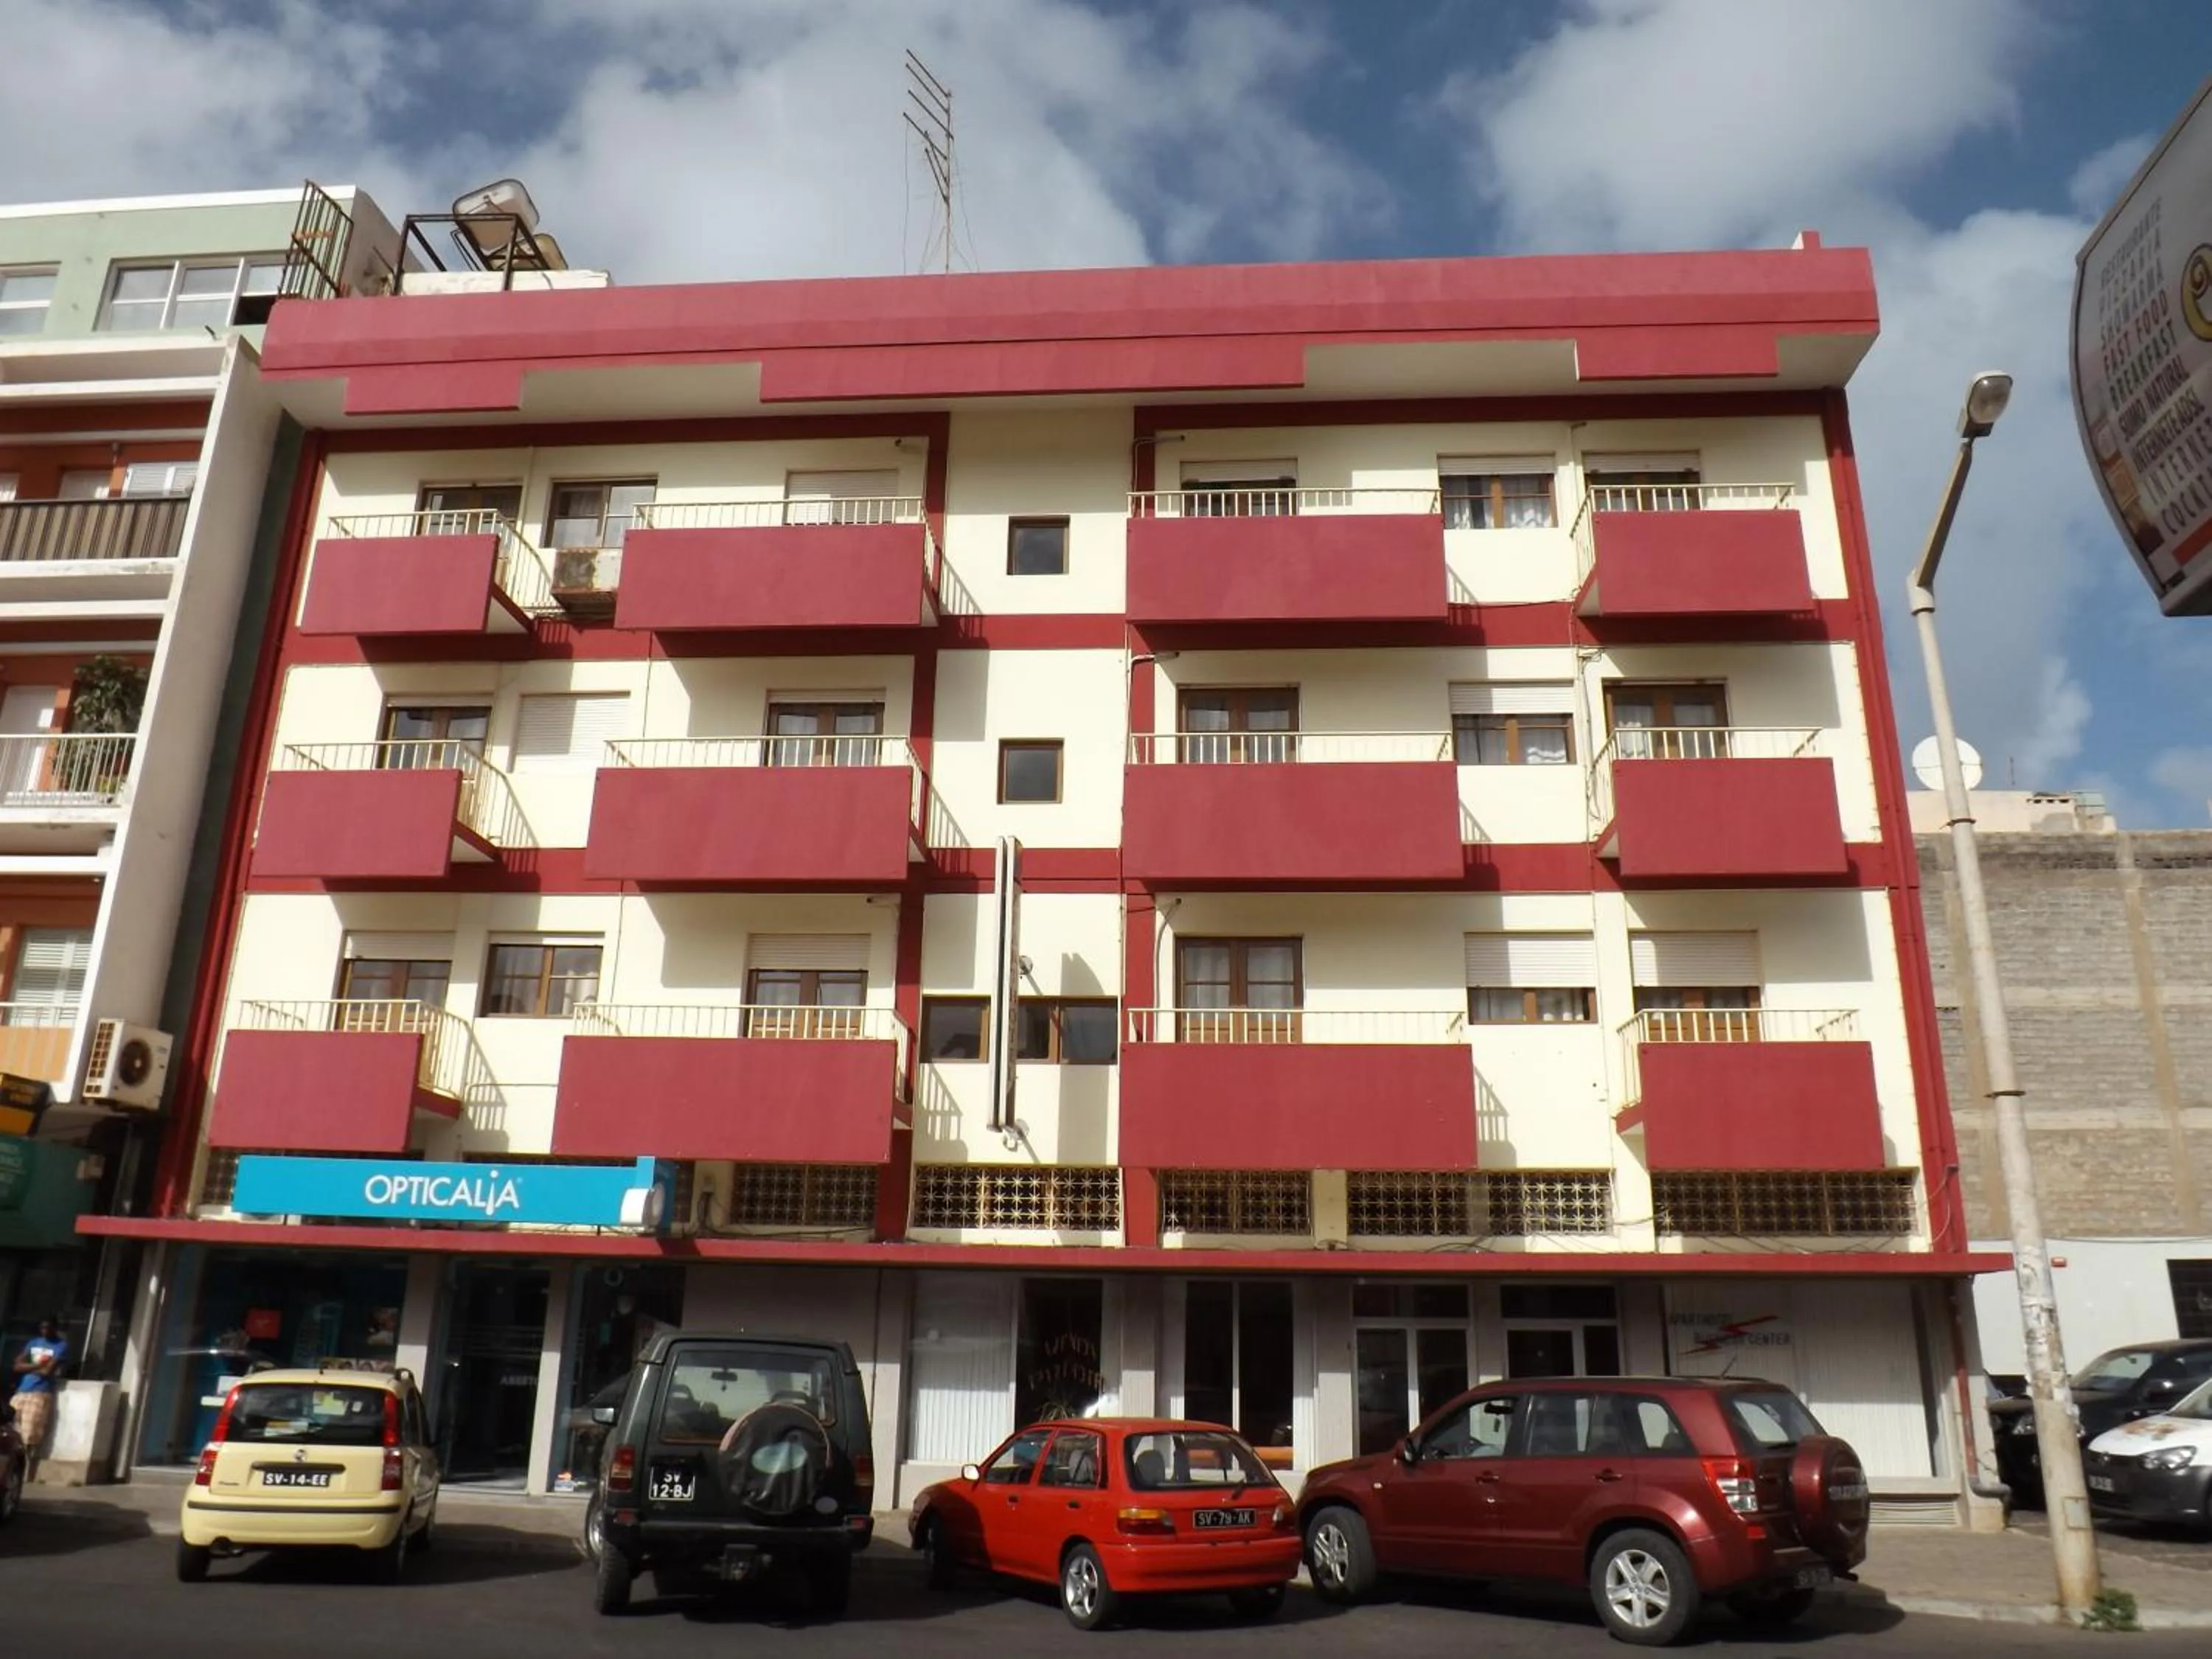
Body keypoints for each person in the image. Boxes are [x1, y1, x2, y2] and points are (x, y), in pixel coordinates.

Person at [10, 1316, 69, 1473]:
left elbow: (47, 1371)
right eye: (42, 1328)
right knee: (11, 1427)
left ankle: (27, 1470)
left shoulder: (61, 1346)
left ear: (55, 1328)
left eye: (48, 1328)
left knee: (31, 1433)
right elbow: (16, 1366)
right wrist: (38, 1365)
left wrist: (28, 1367)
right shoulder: (34, 1343)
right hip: (23, 1389)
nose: (45, 1331)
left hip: (40, 1392)